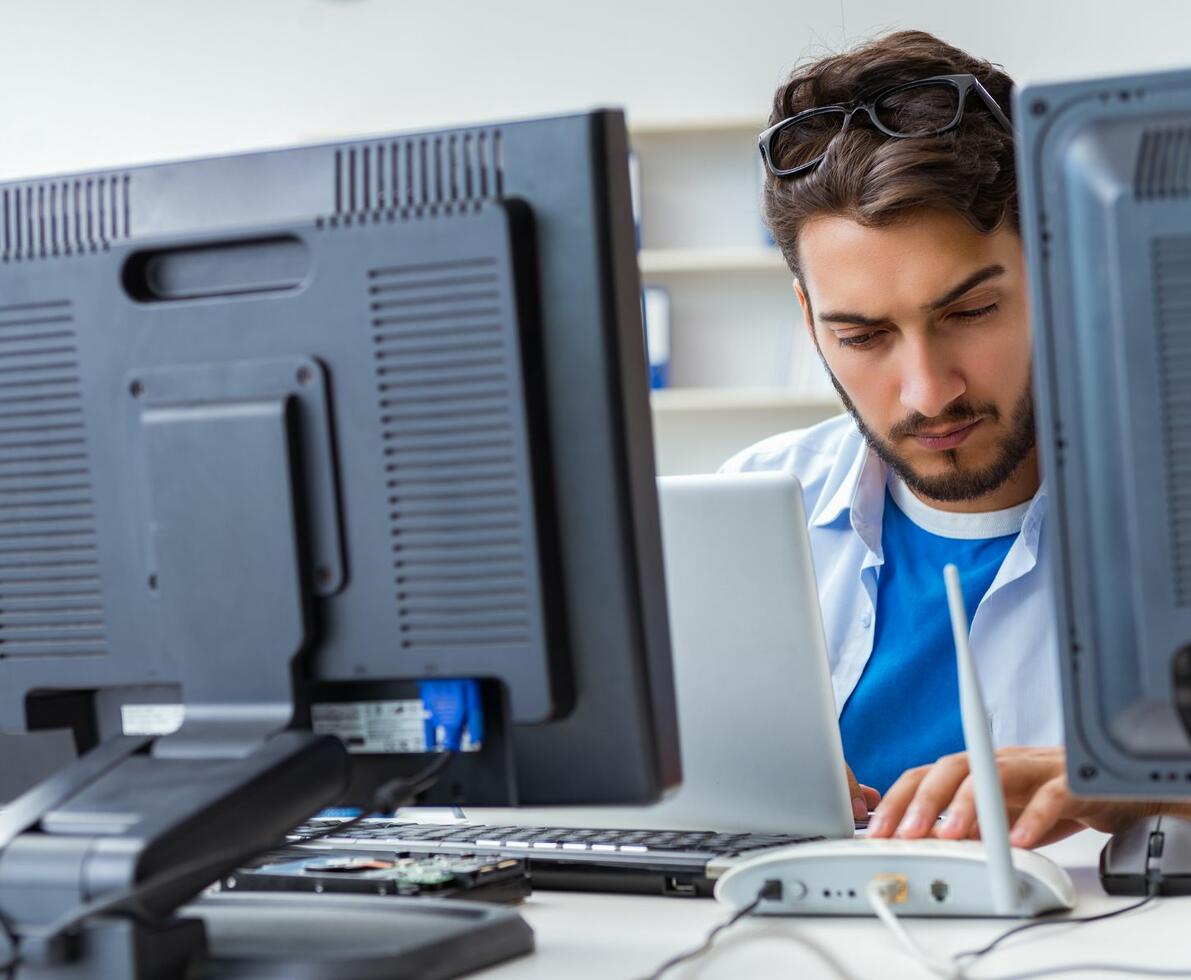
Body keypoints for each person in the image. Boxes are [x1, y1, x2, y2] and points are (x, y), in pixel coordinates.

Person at [724, 29, 1191, 846]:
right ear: (809, 321)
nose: (927, 390)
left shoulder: (1174, 497)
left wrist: (1148, 785)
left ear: (1057, 267)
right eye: (862, 336)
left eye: (969, 313)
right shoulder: (751, 506)